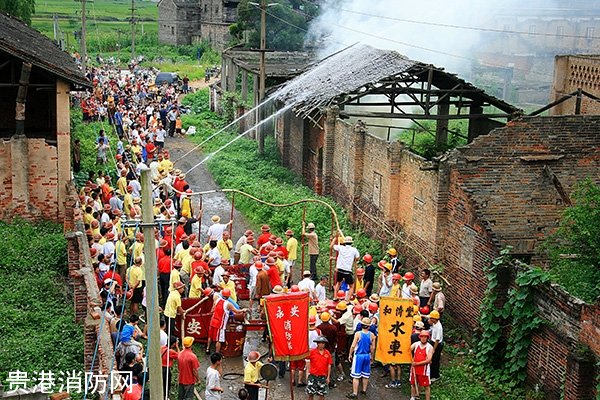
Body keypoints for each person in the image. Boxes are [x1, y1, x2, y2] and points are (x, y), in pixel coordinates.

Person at [207, 288, 247, 354]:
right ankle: (217, 354)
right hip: (220, 324)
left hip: (213, 321)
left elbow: (213, 310)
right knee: (218, 340)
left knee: (210, 336)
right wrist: (243, 310)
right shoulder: (228, 304)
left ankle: (208, 349)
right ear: (228, 296)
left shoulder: (217, 300)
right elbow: (237, 311)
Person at [347, 317, 375, 399]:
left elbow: (353, 345)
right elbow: (372, 348)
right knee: (365, 374)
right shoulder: (372, 335)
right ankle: (364, 390)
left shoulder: (358, 334)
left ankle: (355, 393)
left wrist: (350, 354)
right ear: (369, 326)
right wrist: (372, 357)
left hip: (359, 355)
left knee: (356, 375)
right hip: (367, 355)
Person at [332, 234, 360, 300]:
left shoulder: (340, 247)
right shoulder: (354, 250)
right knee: (351, 286)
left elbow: (332, 246)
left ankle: (335, 297)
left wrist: (334, 239)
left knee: (338, 283)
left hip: (339, 269)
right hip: (347, 270)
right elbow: (358, 258)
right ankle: (347, 300)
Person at [410, 330, 434, 400]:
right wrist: (411, 359)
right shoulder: (416, 344)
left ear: (427, 338)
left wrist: (416, 363)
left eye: (425, 337)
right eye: (422, 337)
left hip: (424, 370)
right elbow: (408, 350)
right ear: (419, 337)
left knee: (426, 386)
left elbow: (428, 360)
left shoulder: (430, 347)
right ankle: (413, 396)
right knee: (413, 383)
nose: (423, 338)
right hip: (414, 368)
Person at [428, 310, 443, 382]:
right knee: (432, 359)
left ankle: (435, 375)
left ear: (435, 319)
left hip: (436, 344)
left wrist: (433, 349)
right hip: (433, 342)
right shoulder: (434, 324)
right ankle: (431, 373)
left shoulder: (439, 327)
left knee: (435, 360)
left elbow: (437, 340)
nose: (430, 319)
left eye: (431, 318)